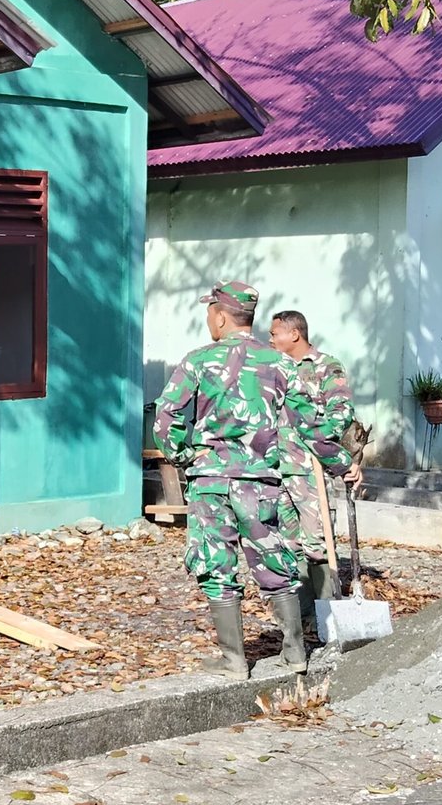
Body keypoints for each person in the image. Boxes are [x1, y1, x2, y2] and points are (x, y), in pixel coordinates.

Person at [152, 282, 317, 678]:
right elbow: (310, 422)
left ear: (222, 317)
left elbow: (166, 417)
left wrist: (184, 455)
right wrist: (339, 462)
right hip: (260, 482)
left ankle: (234, 660)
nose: (209, 319)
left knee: (216, 566)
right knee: (275, 559)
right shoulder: (280, 363)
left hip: (211, 481)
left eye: (210, 311)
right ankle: (295, 652)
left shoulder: (198, 361)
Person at [269, 310, 358, 616]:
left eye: (274, 333)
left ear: (294, 334)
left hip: (309, 469)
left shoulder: (325, 367)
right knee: (287, 541)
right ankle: (300, 612)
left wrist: (320, 441)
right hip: (277, 469)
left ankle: (326, 611)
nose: (270, 339)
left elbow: (341, 412)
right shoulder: (274, 368)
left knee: (316, 541)